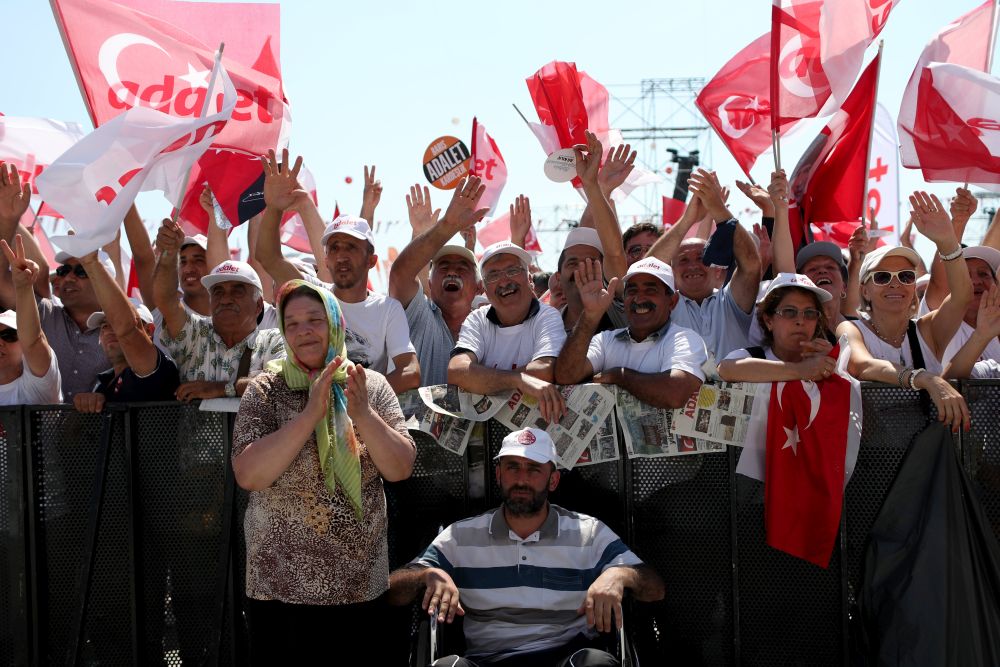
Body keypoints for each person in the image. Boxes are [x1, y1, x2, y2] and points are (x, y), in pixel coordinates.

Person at [231, 280, 415, 664]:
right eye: (293, 323)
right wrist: (310, 414)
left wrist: (362, 413)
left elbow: (400, 468)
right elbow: (249, 475)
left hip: (359, 583)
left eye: (314, 319)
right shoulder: (265, 389)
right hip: (279, 587)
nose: (303, 331)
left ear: (335, 323)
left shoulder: (371, 385)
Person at [388, 427, 665, 667]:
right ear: (498, 475)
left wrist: (619, 575)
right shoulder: (461, 536)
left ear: (553, 479)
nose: (522, 479)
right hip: (487, 660)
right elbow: (393, 592)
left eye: (534, 469)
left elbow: (654, 589)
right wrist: (426, 575)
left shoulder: (588, 533)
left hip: (566, 659)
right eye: (512, 467)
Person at [255, 149, 420, 394]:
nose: (341, 255)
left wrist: (353, 398)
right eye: (334, 248)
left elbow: (410, 372)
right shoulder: (313, 293)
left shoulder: (388, 309)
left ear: (371, 260)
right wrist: (274, 208)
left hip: (364, 419)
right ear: (326, 260)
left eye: (351, 247)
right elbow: (268, 257)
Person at [837, 192, 971, 432]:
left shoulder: (927, 331)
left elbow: (961, 297)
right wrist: (925, 379)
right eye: (882, 277)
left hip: (928, 460)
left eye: (906, 276)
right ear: (865, 291)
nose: (895, 284)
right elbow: (862, 365)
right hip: (873, 462)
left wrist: (948, 242)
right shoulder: (850, 328)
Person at [154, 218, 285, 400]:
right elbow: (166, 300)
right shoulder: (195, 336)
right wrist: (169, 253)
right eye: (217, 292)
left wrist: (222, 389)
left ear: (258, 305)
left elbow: (283, 384)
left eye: (237, 291)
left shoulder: (274, 340)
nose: (225, 299)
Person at [555, 257, 707, 409]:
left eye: (650, 290)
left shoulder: (685, 340)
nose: (639, 299)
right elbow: (566, 375)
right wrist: (590, 315)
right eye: (632, 290)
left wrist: (619, 376)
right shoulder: (606, 340)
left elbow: (675, 393)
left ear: (672, 301)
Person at [645, 169, 761, 361]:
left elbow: (751, 264)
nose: (692, 266)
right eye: (683, 260)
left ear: (715, 268)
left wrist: (718, 209)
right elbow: (646, 271)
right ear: (670, 272)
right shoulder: (665, 306)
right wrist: (687, 220)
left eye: (701, 258)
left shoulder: (731, 303)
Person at [448, 241, 567, 423]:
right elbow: (457, 371)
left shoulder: (547, 316)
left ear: (529, 280)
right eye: (493, 275)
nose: (504, 281)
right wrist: (518, 380)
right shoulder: (477, 319)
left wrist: (482, 379)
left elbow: (544, 370)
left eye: (512, 271)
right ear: (485, 290)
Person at [388, 178, 488, 386]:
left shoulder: (491, 328)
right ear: (430, 284)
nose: (452, 271)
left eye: (462, 268)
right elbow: (401, 274)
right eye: (442, 267)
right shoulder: (419, 316)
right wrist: (447, 225)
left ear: (479, 287)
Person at [71, 249, 180, 413]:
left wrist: (92, 263)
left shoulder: (156, 369)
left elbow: (127, 330)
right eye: (105, 325)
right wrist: (83, 406)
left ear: (149, 330)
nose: (110, 330)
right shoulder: (101, 383)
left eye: (115, 322)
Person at [718, 273, 836, 382]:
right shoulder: (750, 356)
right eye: (789, 312)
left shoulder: (826, 360)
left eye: (810, 313)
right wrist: (800, 370)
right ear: (769, 321)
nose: (800, 321)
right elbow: (724, 370)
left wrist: (835, 363)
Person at [0, 235, 61, 404]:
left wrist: (23, 287)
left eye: (10, 336)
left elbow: (33, 341)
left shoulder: (39, 383)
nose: (0, 342)